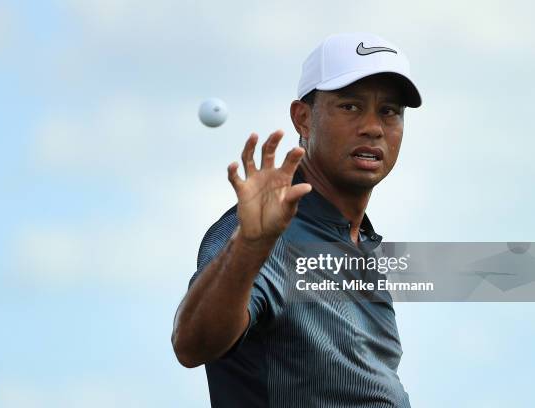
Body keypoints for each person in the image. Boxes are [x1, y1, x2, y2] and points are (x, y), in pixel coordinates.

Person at [172, 32, 422, 407]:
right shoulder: (266, 232)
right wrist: (251, 246)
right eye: (351, 106)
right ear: (303, 118)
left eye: (390, 111)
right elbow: (193, 344)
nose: (373, 126)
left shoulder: (365, 245)